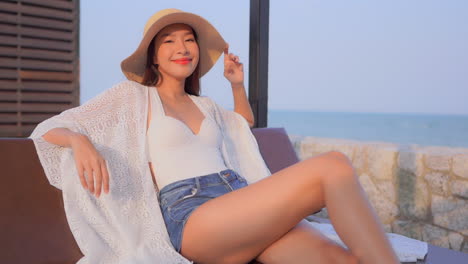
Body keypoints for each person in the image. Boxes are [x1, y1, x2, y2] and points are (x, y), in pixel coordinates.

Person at [36, 8, 400, 264]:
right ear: (154, 58)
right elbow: (48, 129)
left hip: (239, 199)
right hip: (192, 215)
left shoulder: (207, 105)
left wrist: (237, 86)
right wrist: (79, 141)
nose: (182, 48)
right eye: (169, 42)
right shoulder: (133, 97)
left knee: (339, 259)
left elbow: (242, 126)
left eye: (189, 40)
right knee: (332, 167)